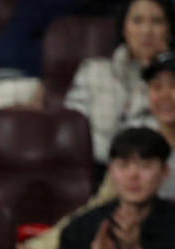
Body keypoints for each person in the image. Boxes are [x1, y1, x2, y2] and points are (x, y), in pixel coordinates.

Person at [19, 49, 175, 249]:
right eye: (157, 87)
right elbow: (99, 206)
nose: (166, 96)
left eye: (173, 85)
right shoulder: (137, 146)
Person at [50, 126, 175, 249]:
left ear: (164, 172)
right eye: (123, 165)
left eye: (145, 166)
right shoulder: (80, 230)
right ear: (111, 171)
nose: (133, 175)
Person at [64, 0, 174, 165]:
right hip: (90, 167)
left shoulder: (170, 85)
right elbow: (72, 129)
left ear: (170, 30)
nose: (146, 31)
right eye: (137, 21)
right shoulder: (92, 70)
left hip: (152, 171)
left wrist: (157, 67)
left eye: (156, 21)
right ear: (123, 28)